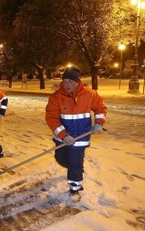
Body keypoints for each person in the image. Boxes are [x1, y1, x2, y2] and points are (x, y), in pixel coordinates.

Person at [45, 67, 107, 195]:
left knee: (74, 161)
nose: (67, 85)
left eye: (71, 82)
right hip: (62, 138)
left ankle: (75, 188)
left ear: (78, 82)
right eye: (65, 81)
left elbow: (100, 108)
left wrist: (99, 123)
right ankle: (76, 166)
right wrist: (64, 136)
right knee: (61, 159)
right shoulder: (56, 97)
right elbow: (51, 118)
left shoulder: (90, 94)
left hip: (81, 137)